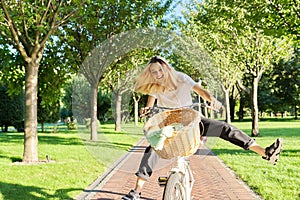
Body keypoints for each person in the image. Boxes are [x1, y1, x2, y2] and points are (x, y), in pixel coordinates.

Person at [122, 56, 283, 200]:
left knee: (224, 128)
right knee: (152, 149)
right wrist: (147, 110)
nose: (157, 74)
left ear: (166, 67)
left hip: (191, 120)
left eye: (159, 70)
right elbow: (150, 104)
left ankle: (265, 152)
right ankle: (136, 191)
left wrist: (211, 99)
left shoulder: (181, 77)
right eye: (153, 72)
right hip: (169, 125)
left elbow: (200, 90)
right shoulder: (155, 86)